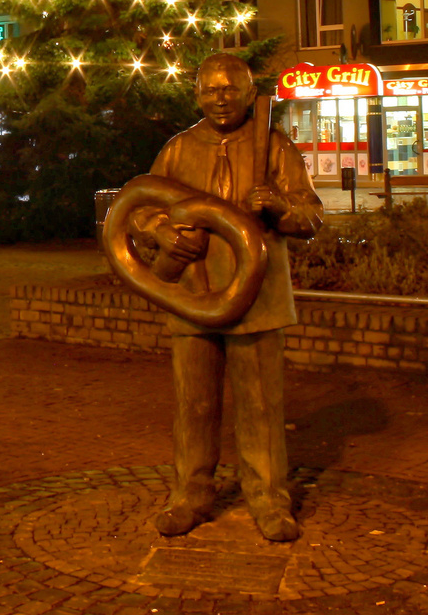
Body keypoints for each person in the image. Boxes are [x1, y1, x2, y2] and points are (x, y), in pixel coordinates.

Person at [128, 53, 322, 542]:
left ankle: (268, 498)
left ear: (247, 92)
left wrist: (280, 205)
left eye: (229, 89)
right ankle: (190, 495)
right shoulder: (176, 150)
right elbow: (141, 208)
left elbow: (312, 218)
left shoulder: (274, 147)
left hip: (256, 297)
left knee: (259, 406)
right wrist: (160, 231)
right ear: (196, 94)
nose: (220, 98)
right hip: (194, 294)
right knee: (193, 404)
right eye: (210, 89)